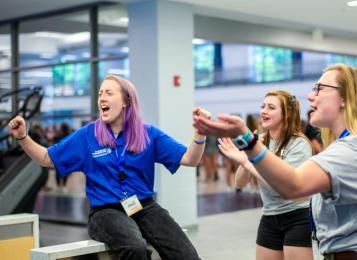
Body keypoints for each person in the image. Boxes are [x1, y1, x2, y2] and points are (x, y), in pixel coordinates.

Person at [194, 64, 357, 259]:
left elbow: (294, 186)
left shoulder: (353, 148)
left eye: (319, 89)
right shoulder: (354, 144)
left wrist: (247, 142)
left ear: (346, 98)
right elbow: (242, 183)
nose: (310, 97)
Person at [9, 75, 209, 260]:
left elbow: (189, 159)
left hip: (143, 206)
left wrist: (200, 134)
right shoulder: (88, 135)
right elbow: (46, 158)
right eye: (100, 93)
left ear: (126, 101)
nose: (101, 98)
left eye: (109, 93)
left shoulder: (148, 134)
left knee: (186, 254)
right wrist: (22, 137)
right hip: (105, 211)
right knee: (136, 248)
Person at [219, 90, 313, 260]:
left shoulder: (299, 144)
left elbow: (283, 186)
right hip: (269, 217)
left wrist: (249, 160)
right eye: (263, 106)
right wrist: (245, 157)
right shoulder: (260, 141)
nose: (263, 111)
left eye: (271, 107)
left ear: (287, 114)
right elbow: (239, 183)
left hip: (297, 218)